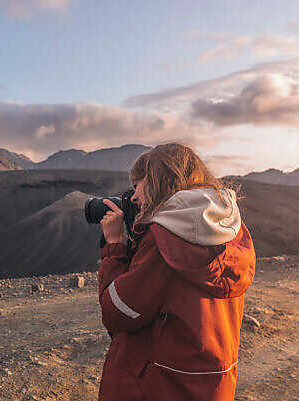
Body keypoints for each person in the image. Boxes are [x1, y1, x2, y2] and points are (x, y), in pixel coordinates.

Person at [97, 143, 255, 401]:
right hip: (210, 385)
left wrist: (115, 247)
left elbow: (118, 313)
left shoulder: (166, 241)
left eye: (138, 185)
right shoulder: (232, 231)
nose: (134, 197)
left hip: (158, 386)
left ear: (157, 181)